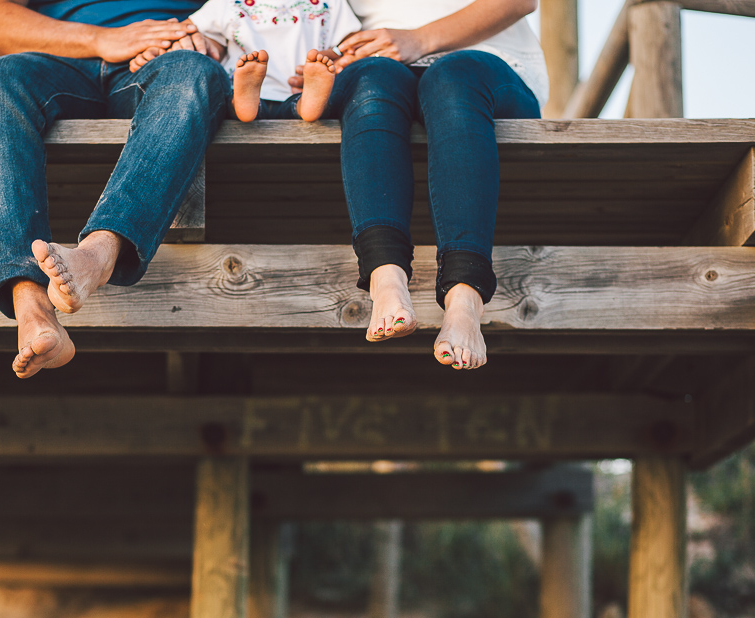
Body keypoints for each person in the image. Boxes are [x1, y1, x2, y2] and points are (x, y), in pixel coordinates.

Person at [0, 0, 230, 378]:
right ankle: (32, 307)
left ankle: (96, 257)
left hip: (168, 59)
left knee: (195, 70)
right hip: (57, 59)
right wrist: (103, 38)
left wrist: (218, 40)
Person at [304, 0, 546, 369]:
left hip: (488, 63)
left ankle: (466, 298)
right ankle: (386, 279)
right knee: (371, 81)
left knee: (451, 76)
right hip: (383, 66)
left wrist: (418, 40)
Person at [132, 0, 361, 122]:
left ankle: (308, 103)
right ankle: (299, 105)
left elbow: (351, 43)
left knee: (299, 102)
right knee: (239, 99)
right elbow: (198, 37)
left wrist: (337, 55)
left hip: (298, 87)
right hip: (257, 89)